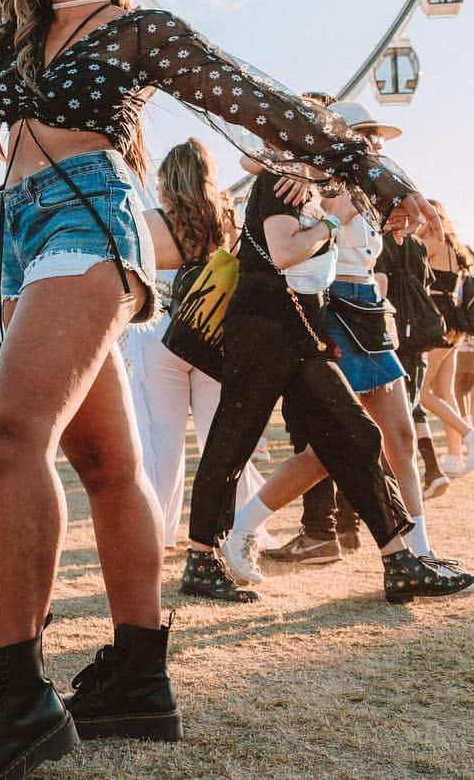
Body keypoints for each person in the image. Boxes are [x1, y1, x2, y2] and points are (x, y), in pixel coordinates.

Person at [0, 0, 444, 778]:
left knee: (10, 433)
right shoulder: (22, 30)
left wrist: (370, 174)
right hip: (20, 241)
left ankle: (18, 697)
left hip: (87, 228)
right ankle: (135, 677)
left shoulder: (136, 30)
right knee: (103, 462)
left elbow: (248, 95)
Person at [183, 158, 470, 608]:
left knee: (357, 432)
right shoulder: (282, 181)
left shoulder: (315, 188)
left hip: (306, 329)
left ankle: (400, 560)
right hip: (263, 326)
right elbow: (282, 252)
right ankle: (201, 557)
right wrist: (336, 218)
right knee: (232, 439)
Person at [124, 139, 272, 549]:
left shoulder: (153, 223)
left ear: (167, 180)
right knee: (220, 442)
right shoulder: (228, 222)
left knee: (160, 444)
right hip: (212, 334)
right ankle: (239, 527)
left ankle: (155, 532)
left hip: (160, 334)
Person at [421, 200, 474, 475]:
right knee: (445, 391)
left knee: (419, 392)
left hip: (437, 321)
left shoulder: (431, 244)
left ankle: (468, 434)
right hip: (455, 322)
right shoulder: (458, 249)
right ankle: (455, 457)